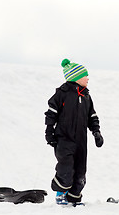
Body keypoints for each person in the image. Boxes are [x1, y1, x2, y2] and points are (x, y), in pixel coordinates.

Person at [44, 59, 104, 205]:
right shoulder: (62, 93)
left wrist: (96, 132)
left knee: (80, 171)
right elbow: (51, 113)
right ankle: (60, 194)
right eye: (85, 76)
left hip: (81, 141)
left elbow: (92, 116)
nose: (88, 78)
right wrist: (49, 132)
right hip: (64, 139)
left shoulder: (86, 96)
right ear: (76, 77)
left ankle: (73, 197)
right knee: (66, 168)